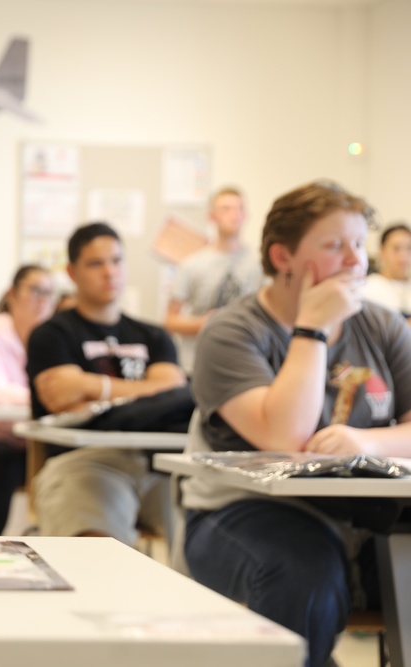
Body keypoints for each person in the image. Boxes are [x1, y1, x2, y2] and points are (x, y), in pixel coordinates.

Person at [180, 180, 411, 667]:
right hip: (241, 512)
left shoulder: (385, 326)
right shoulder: (233, 331)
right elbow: (285, 438)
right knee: (303, 573)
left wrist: (363, 441)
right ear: (282, 256)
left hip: (369, 515)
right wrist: (311, 330)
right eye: (333, 246)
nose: (355, 261)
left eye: (357, 244)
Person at [27, 222, 187, 545]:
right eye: (96, 263)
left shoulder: (154, 335)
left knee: (213, 523)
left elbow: (174, 388)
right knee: (96, 551)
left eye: (117, 261)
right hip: (83, 462)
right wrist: (148, 393)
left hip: (160, 464)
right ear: (72, 272)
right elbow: (61, 396)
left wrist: (92, 388)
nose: (110, 272)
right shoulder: (51, 335)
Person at [0, 264, 56, 535]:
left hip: (47, 441)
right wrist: (46, 398)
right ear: (13, 294)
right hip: (4, 438)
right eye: (35, 291)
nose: (43, 301)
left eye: (50, 294)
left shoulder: (57, 336)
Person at [163, 186, 264, 372]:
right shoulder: (191, 264)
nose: (234, 214)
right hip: (198, 366)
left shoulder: (260, 264)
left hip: (245, 363)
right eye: (226, 209)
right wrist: (203, 323)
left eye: (239, 208)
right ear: (212, 216)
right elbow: (170, 320)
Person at [362, 221, 411, 321]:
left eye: (409, 248)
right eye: (396, 248)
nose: (403, 255)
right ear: (382, 251)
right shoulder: (367, 288)